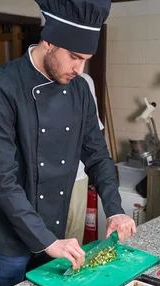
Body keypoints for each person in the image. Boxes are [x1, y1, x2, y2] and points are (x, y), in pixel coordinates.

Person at [0, 0, 136, 286]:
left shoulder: (79, 90)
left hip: (54, 228)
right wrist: (46, 241)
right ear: (48, 41)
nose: (80, 69)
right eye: (74, 57)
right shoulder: (0, 87)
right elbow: (2, 178)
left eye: (86, 59)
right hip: (6, 238)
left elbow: (97, 155)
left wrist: (115, 209)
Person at [65, 73, 103, 245]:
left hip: (77, 175)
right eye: (75, 57)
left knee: (72, 238)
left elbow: (93, 134)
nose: (78, 67)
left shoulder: (85, 81)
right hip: (43, 178)